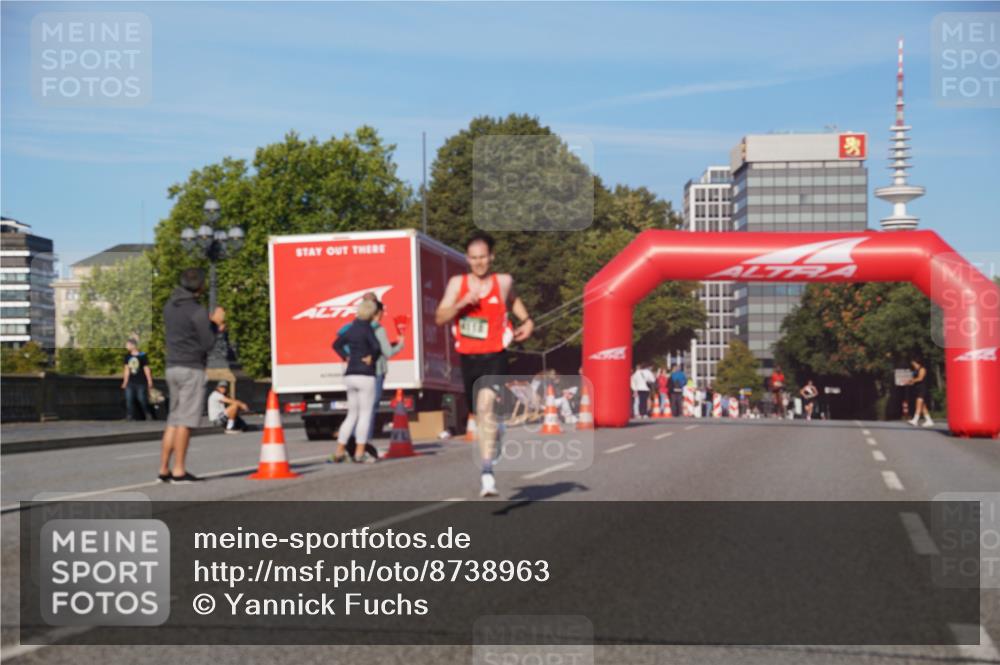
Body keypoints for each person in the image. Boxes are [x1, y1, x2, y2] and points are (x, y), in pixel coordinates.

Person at [435, 230, 533, 498]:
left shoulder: (503, 281)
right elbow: (440, 317)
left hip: (495, 356)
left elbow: (514, 300)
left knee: (486, 405)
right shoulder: (457, 284)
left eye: (483, 257)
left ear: (491, 257)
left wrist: (527, 321)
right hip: (469, 358)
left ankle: (487, 473)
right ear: (467, 259)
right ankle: (497, 431)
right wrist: (461, 304)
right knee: (480, 415)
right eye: (473, 258)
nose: (478, 262)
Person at [158, 268, 220, 483]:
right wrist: (216, 325)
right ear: (200, 286)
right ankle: (179, 470)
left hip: (172, 366)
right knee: (186, 421)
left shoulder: (169, 306)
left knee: (173, 420)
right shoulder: (197, 311)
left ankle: (163, 469)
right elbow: (208, 343)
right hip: (191, 368)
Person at [331, 299, 381, 463]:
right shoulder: (367, 329)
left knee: (351, 414)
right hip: (365, 375)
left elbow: (336, 344)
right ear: (372, 314)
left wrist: (345, 356)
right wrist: (372, 358)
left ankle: (339, 451)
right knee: (365, 415)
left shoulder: (351, 329)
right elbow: (376, 347)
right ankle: (359, 453)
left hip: (350, 375)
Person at [366, 299, 406, 442]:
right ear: (379, 312)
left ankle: (357, 440)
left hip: (363, 371)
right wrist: (400, 344)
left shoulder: (362, 327)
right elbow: (387, 352)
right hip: (377, 370)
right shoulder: (379, 329)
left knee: (362, 408)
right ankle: (366, 439)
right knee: (372, 406)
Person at [205, 307, 237, 399]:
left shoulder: (225, 331)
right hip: (210, 362)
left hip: (224, 362)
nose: (223, 316)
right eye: (220, 314)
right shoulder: (208, 329)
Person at [122, 338, 154, 421]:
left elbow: (146, 369)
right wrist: (125, 382)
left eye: (127, 345)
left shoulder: (142, 355)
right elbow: (126, 370)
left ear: (133, 345)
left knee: (142, 399)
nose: (126, 347)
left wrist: (149, 381)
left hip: (141, 382)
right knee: (129, 399)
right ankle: (129, 415)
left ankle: (147, 413)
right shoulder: (127, 356)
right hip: (130, 382)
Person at [907, 358, 934, 427]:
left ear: (918, 363)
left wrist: (912, 380)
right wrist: (909, 382)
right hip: (917, 389)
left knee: (918, 405)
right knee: (923, 406)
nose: (913, 365)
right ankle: (929, 420)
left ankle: (915, 420)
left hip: (922, 389)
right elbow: (915, 379)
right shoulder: (915, 370)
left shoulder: (922, 369)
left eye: (914, 364)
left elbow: (920, 378)